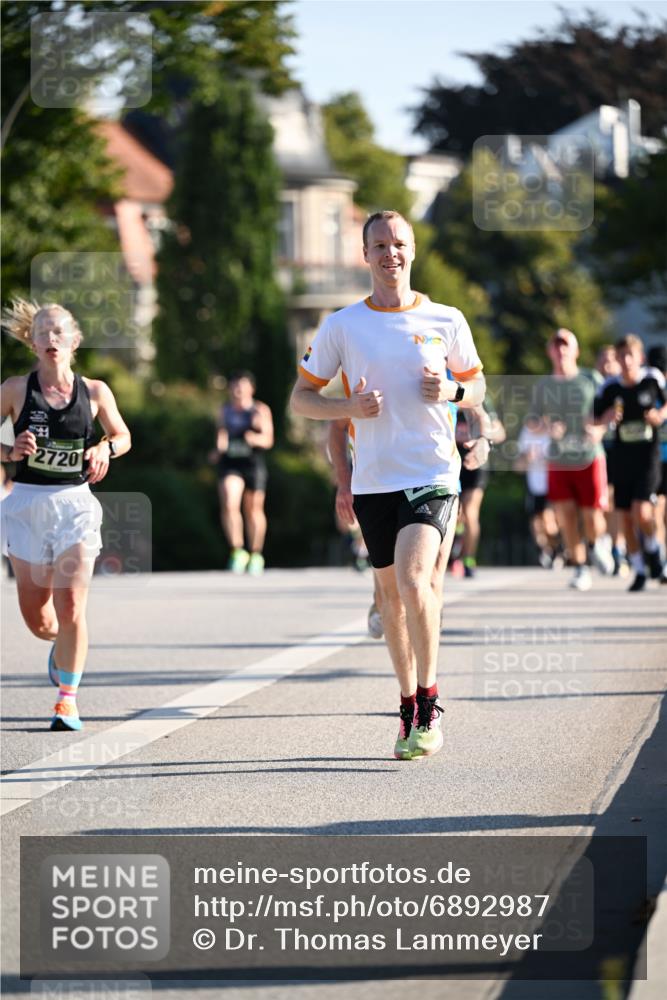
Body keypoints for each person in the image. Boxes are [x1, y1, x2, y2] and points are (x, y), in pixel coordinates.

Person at [291, 210, 486, 759]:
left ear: (413, 249)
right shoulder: (342, 326)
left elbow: (478, 388)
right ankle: (406, 704)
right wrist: (348, 407)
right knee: (392, 597)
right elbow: (301, 399)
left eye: (398, 243)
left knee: (413, 577)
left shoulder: (446, 319)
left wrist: (449, 391)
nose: (390, 253)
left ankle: (429, 699)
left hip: (432, 473)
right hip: (376, 481)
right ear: (366, 255)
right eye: (379, 245)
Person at [0, 300, 131, 731]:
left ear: (74, 341)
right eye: (43, 332)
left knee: (71, 603)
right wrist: (8, 451)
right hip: (25, 506)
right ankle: (61, 646)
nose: (51, 339)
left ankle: (67, 701)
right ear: (32, 342)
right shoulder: (16, 389)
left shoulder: (94, 392)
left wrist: (103, 447)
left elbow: (123, 435)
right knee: (40, 619)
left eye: (59, 332)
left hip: (75, 504)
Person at [531, 328, 614, 591]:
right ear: (550, 352)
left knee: (592, 517)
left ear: (576, 351)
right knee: (566, 517)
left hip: (590, 458)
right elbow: (532, 421)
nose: (561, 350)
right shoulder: (543, 386)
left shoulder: (592, 379)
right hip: (559, 460)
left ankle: (597, 542)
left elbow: (616, 405)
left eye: (566, 344)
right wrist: (546, 428)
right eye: (556, 345)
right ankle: (580, 567)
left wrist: (601, 428)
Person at [593, 334, 667, 591]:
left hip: (648, 457)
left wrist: (659, 414)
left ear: (640, 358)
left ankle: (654, 550)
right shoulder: (609, 388)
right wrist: (605, 419)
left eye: (630, 355)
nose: (625, 361)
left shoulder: (652, 379)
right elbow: (593, 420)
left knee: (642, 511)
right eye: (620, 355)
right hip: (622, 459)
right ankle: (639, 570)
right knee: (625, 518)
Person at [216, 370, 274, 575]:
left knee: (253, 509)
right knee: (229, 500)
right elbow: (221, 433)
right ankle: (237, 550)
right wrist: (218, 448)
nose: (238, 390)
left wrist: (254, 438)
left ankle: (256, 552)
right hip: (231, 463)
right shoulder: (225, 410)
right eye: (234, 385)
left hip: (253, 464)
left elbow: (268, 440)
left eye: (242, 385)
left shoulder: (260, 410)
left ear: (251, 388)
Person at [455, 402, 506, 577]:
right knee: (455, 514)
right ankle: (455, 549)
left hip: (475, 463)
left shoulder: (481, 399)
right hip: (448, 463)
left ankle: (468, 559)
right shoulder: (438, 391)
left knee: (470, 512)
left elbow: (500, 432)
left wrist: (480, 435)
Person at [516, 415, 561, 568]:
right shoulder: (526, 432)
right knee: (536, 521)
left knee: (548, 521)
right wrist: (527, 459)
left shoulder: (554, 430)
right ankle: (543, 551)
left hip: (551, 482)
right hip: (533, 483)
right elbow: (519, 465)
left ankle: (556, 549)